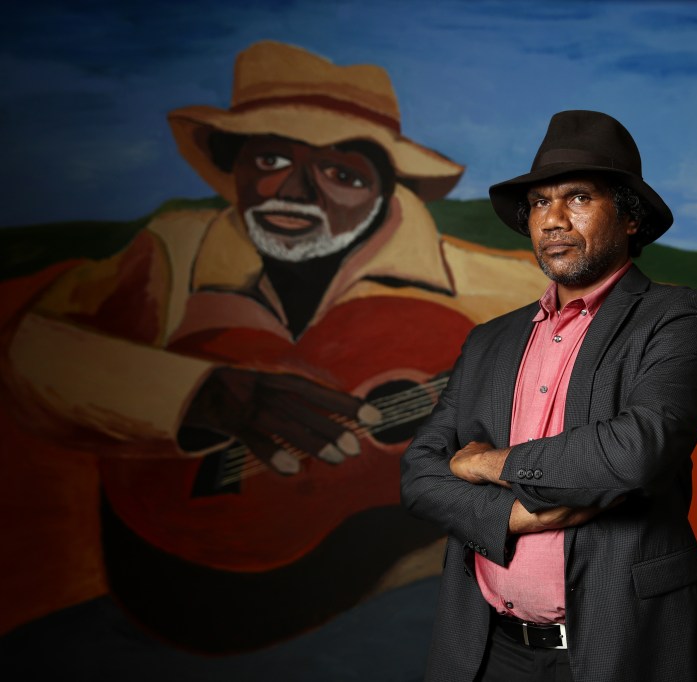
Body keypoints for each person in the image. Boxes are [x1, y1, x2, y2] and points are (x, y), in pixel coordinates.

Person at [1, 41, 546, 651]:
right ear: (234, 165)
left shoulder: (497, 288)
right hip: (167, 568)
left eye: (341, 173)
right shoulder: (172, 251)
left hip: (388, 589)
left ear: (385, 189)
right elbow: (32, 352)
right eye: (270, 158)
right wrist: (195, 396)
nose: (297, 190)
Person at [401, 110, 697, 681]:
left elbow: (634, 451)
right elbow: (419, 473)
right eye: (539, 203)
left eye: (578, 197)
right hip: (488, 647)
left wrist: (486, 463)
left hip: (622, 642)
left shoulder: (680, 316)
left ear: (630, 217)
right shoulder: (489, 340)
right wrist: (513, 516)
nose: (552, 219)